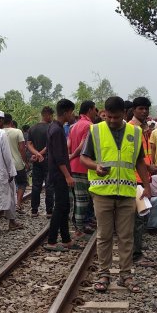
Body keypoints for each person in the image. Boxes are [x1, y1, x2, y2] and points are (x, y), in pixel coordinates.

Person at [80, 96, 151, 293]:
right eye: (109, 117)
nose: (111, 121)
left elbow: (139, 162)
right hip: (102, 192)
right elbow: (84, 158)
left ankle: (125, 275)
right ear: (105, 113)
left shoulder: (135, 132)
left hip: (127, 192)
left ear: (124, 115)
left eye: (116, 117)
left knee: (126, 236)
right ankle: (104, 273)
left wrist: (147, 185)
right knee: (104, 235)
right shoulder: (95, 130)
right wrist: (96, 166)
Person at [43, 99, 78, 251]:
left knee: (64, 206)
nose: (73, 115)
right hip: (59, 174)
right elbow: (58, 157)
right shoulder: (57, 130)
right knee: (60, 207)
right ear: (65, 112)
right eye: (71, 112)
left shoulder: (54, 127)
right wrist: (67, 176)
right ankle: (51, 241)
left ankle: (66, 240)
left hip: (58, 174)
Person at [128, 96, 157, 267]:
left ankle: (136, 250)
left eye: (146, 108)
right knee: (137, 218)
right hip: (135, 179)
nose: (144, 111)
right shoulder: (132, 128)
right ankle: (135, 254)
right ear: (134, 110)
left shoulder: (144, 128)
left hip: (143, 178)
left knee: (140, 217)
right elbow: (134, 156)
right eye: (140, 108)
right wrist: (151, 167)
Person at [68, 100, 97, 237]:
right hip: (82, 166)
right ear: (90, 110)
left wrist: (69, 156)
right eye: (95, 109)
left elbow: (69, 143)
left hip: (73, 166)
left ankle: (77, 225)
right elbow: (82, 146)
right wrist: (74, 155)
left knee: (76, 198)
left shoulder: (74, 126)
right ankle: (79, 229)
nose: (96, 112)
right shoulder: (89, 125)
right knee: (82, 200)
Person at [27, 106, 55, 217]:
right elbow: (50, 144)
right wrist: (41, 154)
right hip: (48, 160)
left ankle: (34, 210)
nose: (52, 118)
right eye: (52, 115)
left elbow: (28, 144)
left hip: (36, 160)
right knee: (49, 185)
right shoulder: (51, 128)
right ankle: (49, 211)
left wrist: (36, 154)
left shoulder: (32, 128)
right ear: (47, 115)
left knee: (36, 185)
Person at [4, 113, 29, 215]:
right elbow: (22, 149)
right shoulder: (17, 131)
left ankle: (7, 206)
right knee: (22, 183)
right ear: (11, 121)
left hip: (4, 165)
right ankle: (18, 203)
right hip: (17, 163)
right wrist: (25, 161)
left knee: (8, 186)